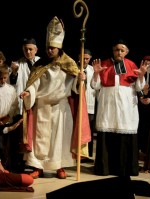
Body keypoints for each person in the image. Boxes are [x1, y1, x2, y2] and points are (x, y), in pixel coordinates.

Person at [19, 16, 90, 179]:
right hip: (42, 106)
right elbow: (33, 85)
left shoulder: (70, 64)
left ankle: (59, 166)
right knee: (40, 139)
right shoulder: (39, 65)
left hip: (61, 108)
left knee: (60, 139)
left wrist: (80, 81)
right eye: (48, 47)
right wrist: (28, 93)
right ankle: (38, 166)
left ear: (59, 47)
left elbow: (75, 89)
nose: (49, 50)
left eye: (52, 48)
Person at [91, 38, 147, 198]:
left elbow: (138, 87)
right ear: (113, 51)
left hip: (126, 107)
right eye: (117, 50)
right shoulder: (104, 64)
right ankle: (104, 168)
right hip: (108, 105)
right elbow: (95, 86)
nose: (119, 52)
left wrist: (141, 77)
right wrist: (96, 73)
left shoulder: (132, 65)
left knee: (124, 136)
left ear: (127, 52)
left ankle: (125, 168)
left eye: (122, 50)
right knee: (106, 136)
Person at [10, 37, 40, 115]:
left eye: (30, 49)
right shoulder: (18, 64)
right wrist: (14, 73)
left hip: (39, 97)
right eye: (25, 50)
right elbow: (12, 83)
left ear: (36, 50)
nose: (28, 51)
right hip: (25, 98)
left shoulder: (41, 62)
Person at [78, 48, 96, 163]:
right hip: (78, 102)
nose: (85, 61)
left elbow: (95, 85)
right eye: (83, 58)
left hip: (90, 103)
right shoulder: (74, 68)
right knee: (78, 128)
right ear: (79, 57)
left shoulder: (92, 70)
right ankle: (77, 154)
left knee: (88, 129)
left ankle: (86, 155)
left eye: (87, 59)